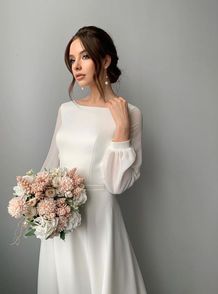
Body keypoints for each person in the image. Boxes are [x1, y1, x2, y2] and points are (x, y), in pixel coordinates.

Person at [37, 25, 147, 294]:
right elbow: (48, 168)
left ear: (105, 60)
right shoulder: (66, 110)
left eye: (84, 57)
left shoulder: (130, 113)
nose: (76, 66)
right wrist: (37, 204)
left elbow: (117, 185)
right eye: (72, 60)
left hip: (100, 221)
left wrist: (120, 130)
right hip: (61, 221)